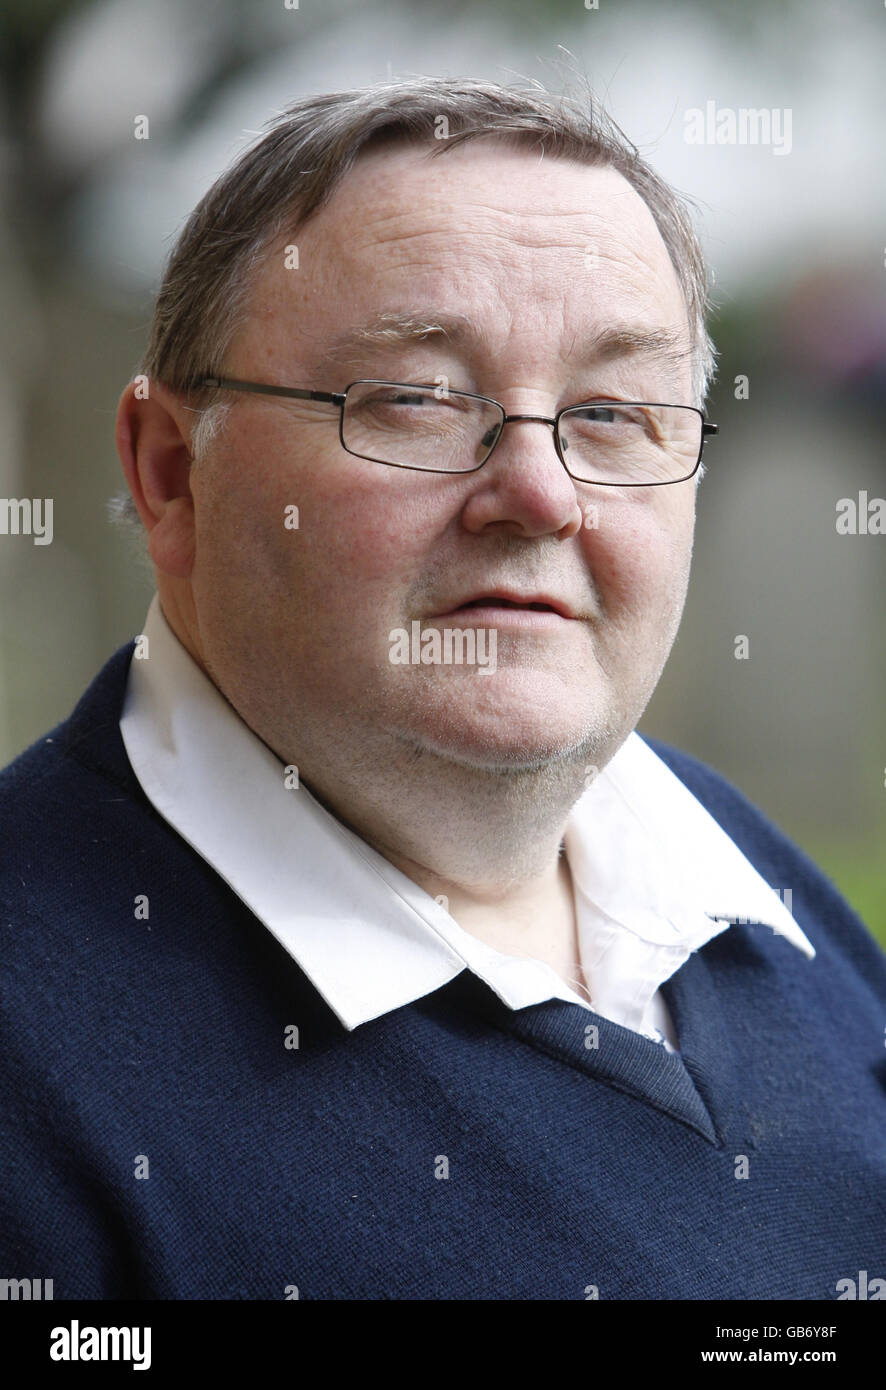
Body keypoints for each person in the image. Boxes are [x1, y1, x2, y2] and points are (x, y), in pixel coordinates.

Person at [1, 77, 883, 1302]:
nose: (539, 492)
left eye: (616, 412)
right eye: (417, 397)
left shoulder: (746, 888)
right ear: (168, 474)